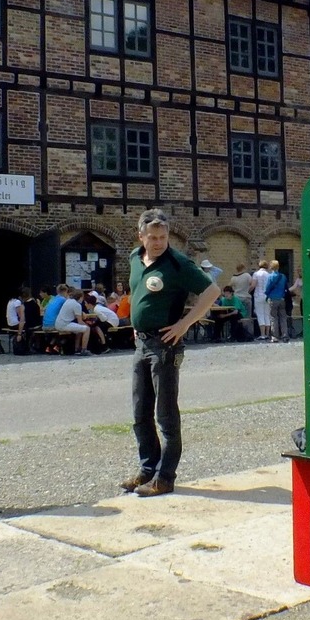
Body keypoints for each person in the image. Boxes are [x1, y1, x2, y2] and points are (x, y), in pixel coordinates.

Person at [121, 208, 221, 497]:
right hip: (142, 344)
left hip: (165, 345)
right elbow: (137, 292)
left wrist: (184, 324)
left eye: (163, 237)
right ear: (141, 236)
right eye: (152, 237)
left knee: (165, 414)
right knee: (140, 412)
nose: (158, 243)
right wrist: (137, 323)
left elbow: (211, 291)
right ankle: (147, 469)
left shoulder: (177, 263)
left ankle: (165, 478)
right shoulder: (134, 257)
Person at [54, 285, 90, 354]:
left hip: (58, 323)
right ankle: (84, 349)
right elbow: (80, 321)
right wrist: (87, 325)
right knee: (87, 329)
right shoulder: (77, 305)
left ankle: (77, 348)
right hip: (65, 324)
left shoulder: (69, 301)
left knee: (79, 330)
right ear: (81, 297)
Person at [263, 260, 290, 343]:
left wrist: (267, 294)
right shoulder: (283, 276)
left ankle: (275, 337)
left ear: (271, 267)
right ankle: (285, 335)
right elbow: (286, 287)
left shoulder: (270, 277)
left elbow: (267, 288)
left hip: (273, 299)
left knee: (273, 317)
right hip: (281, 299)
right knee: (283, 317)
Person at [252, 259, 272, 340]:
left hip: (258, 295)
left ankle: (262, 334)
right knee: (267, 314)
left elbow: (253, 285)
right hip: (267, 296)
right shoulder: (269, 275)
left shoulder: (256, 274)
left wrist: (248, 291)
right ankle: (267, 334)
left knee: (260, 314)